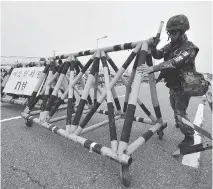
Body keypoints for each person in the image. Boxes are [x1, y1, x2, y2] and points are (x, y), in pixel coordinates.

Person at [138, 14, 199, 148]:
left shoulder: (190, 48)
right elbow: (158, 55)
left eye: (174, 32)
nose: (171, 36)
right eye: (169, 33)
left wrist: (153, 68)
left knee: (179, 112)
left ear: (183, 31)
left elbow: (174, 63)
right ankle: (180, 120)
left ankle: (189, 136)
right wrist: (153, 45)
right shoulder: (170, 46)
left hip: (185, 85)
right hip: (173, 84)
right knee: (173, 105)